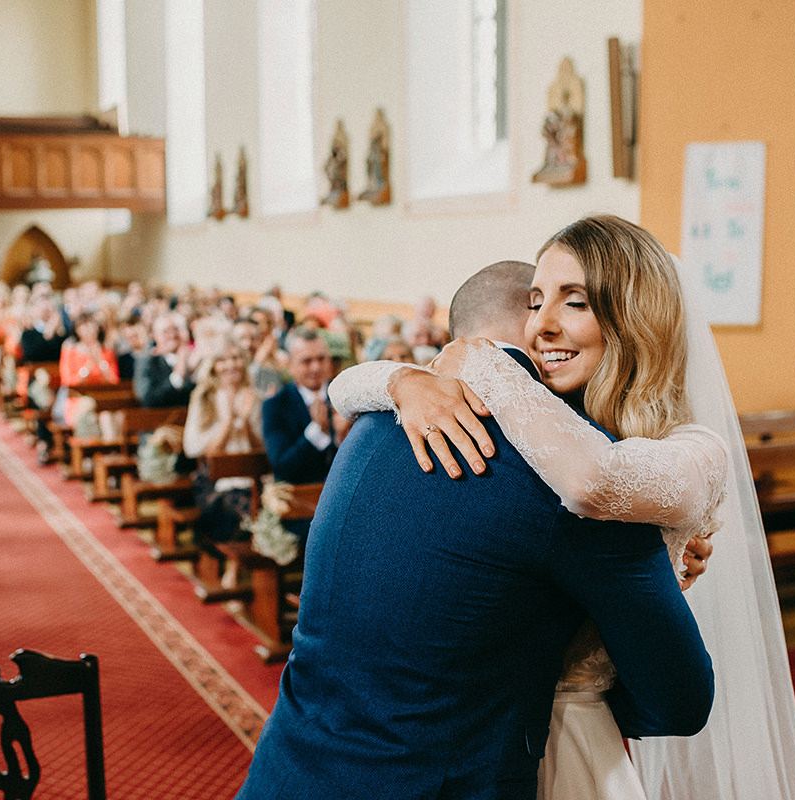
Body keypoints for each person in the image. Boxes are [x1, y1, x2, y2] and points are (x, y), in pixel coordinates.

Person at [334, 215, 795, 800]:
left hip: (564, 737)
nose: (542, 326)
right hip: (494, 743)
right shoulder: (531, 434)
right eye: (536, 302)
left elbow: (593, 478)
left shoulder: (694, 450)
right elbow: (344, 387)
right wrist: (402, 382)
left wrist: (479, 359)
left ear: (635, 318)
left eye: (576, 302)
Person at [236, 260, 714, 799]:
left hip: (290, 768)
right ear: (540, 340)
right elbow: (679, 702)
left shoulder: (372, 423)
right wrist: (569, 701)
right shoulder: (574, 482)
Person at [182, 338, 264, 587]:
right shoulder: (204, 397)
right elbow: (194, 448)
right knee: (238, 504)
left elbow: (261, 449)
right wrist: (229, 422)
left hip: (251, 476)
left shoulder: (254, 397)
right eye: (223, 360)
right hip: (214, 480)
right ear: (214, 365)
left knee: (259, 502)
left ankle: (245, 569)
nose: (231, 365)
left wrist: (247, 421)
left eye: (236, 358)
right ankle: (234, 564)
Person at [260, 328, 347, 486]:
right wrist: (316, 432)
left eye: (321, 359)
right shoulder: (276, 406)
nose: (316, 367)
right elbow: (282, 467)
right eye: (307, 361)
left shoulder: (345, 398)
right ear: (291, 365)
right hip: (299, 499)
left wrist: (341, 436)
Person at [134, 312, 195, 408]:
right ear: (155, 336)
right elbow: (148, 400)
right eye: (166, 331)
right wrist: (177, 376)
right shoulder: (148, 361)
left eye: (176, 329)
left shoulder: (193, 358)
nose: (172, 335)